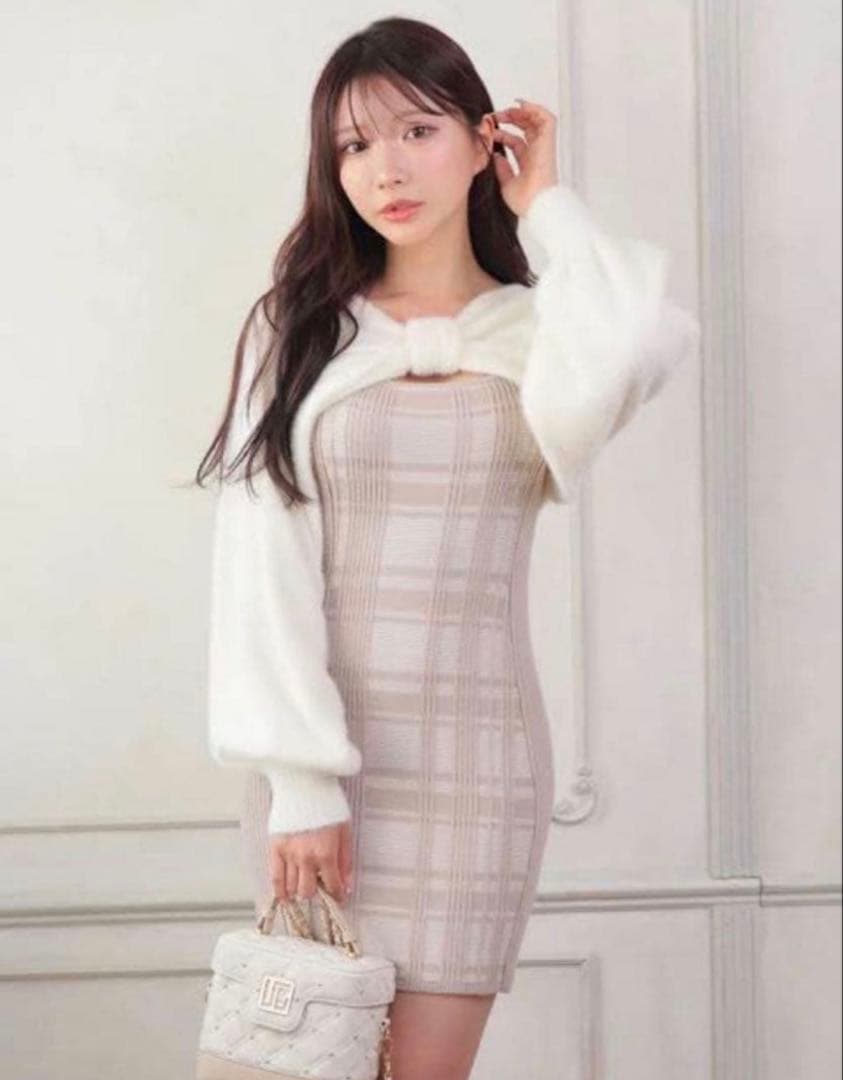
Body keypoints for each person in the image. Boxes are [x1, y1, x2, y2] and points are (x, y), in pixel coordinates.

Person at [194, 15, 699, 1080]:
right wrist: (303, 785)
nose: (386, 168)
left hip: (478, 768)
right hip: (322, 771)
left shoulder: (541, 333)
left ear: (483, 141)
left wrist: (545, 204)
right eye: (354, 144)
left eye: (417, 131)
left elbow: (641, 334)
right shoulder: (301, 333)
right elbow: (258, 568)